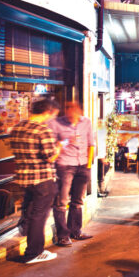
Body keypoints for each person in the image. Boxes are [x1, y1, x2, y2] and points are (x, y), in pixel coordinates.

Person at [10, 98, 61, 263]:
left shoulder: (17, 128)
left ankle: (32, 249)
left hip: (24, 179)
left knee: (32, 214)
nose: (51, 119)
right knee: (39, 216)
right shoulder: (42, 130)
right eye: (52, 115)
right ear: (47, 112)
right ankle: (34, 253)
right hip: (43, 179)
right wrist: (60, 146)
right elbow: (50, 156)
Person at [48, 101, 96, 246]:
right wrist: (67, 141)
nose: (71, 113)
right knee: (62, 202)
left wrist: (88, 166)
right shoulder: (56, 123)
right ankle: (62, 235)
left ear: (79, 111)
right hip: (65, 165)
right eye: (68, 110)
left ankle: (76, 231)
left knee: (78, 200)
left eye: (73, 110)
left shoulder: (86, 122)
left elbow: (91, 144)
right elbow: (51, 146)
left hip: (82, 165)